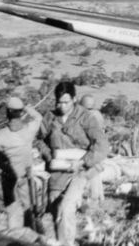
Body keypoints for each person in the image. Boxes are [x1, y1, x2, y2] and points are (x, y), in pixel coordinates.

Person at [39, 81, 108, 246]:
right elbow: (40, 141)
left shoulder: (86, 117)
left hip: (80, 171)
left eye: (66, 102)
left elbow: (102, 145)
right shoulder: (49, 117)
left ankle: (67, 243)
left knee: (67, 207)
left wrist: (84, 162)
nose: (62, 106)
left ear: (74, 99)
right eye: (58, 102)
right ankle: (63, 240)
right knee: (56, 212)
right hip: (57, 172)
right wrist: (49, 156)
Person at [0, 97, 43, 229]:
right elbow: (38, 117)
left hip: (9, 179)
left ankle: (14, 239)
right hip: (26, 177)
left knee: (13, 212)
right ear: (20, 113)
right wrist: (26, 107)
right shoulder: (29, 130)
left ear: (7, 112)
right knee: (29, 210)